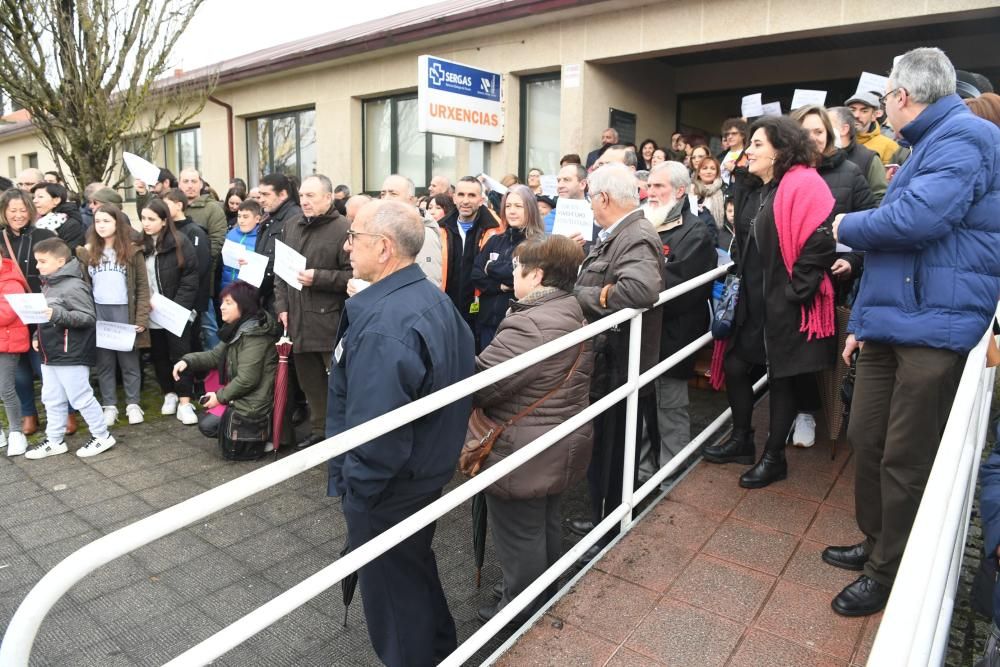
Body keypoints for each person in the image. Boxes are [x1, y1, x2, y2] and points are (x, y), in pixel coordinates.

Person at [828, 47, 1000, 618]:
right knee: (867, 437)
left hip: (934, 322)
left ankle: (888, 570)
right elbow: (901, 243)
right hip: (895, 318)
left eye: (884, 99)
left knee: (904, 455)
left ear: (901, 97)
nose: (882, 107)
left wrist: (845, 226)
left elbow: (917, 222)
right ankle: (877, 543)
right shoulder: (930, 142)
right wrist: (866, 324)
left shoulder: (966, 137)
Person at [327, 200, 474, 667]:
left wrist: (359, 491)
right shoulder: (433, 298)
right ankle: (441, 654)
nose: (347, 247)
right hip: (423, 472)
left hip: (390, 486)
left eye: (356, 238)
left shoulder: (386, 324)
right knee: (412, 572)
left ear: (385, 248)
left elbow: (376, 429)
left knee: (392, 598)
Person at [702, 115, 836, 489]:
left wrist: (797, 291)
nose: (750, 151)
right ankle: (742, 439)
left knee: (782, 379)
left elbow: (821, 241)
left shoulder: (805, 183)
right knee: (735, 364)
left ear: (781, 148)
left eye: (758, 144)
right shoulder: (751, 187)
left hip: (788, 302)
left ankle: (774, 458)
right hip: (754, 297)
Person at [473, 235, 593, 624]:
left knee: (519, 534)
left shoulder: (531, 325)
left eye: (516, 269)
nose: (512, 275)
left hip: (523, 448)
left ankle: (522, 612)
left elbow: (483, 384)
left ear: (537, 274)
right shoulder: (570, 307)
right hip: (558, 441)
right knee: (543, 523)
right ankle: (540, 594)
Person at [570, 163, 664, 554]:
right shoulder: (624, 233)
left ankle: (607, 528)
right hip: (613, 361)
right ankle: (602, 518)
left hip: (618, 364)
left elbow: (641, 290)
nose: (589, 205)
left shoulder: (635, 235)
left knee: (611, 452)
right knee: (607, 449)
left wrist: (587, 296)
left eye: (591, 197)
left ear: (603, 198)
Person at [789, 104, 876, 448]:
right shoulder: (784, 175)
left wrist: (854, 260)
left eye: (819, 131)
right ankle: (803, 412)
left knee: (828, 352)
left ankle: (832, 412)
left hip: (836, 282)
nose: (812, 138)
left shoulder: (851, 172)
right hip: (794, 279)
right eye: (805, 131)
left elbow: (872, 224)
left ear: (828, 135)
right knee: (796, 352)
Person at [638, 162, 716, 481]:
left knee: (670, 409)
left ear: (680, 191)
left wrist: (635, 287)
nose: (651, 193)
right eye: (650, 186)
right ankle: (642, 472)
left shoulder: (696, 232)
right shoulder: (643, 223)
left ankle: (671, 475)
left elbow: (681, 286)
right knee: (641, 409)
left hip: (673, 337)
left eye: (660, 187)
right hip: (643, 334)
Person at [274, 174, 351, 450]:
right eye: (302, 196)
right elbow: (280, 273)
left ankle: (342, 434)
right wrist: (281, 306)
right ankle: (320, 430)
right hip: (296, 320)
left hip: (329, 320)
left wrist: (318, 277)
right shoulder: (291, 225)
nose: (304, 201)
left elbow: (353, 276)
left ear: (329, 198)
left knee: (339, 381)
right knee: (310, 383)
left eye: (311, 196)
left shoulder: (344, 228)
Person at [24, 238, 116, 459]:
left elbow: (87, 317)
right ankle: (54, 440)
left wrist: (56, 315)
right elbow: (45, 315)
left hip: (70, 352)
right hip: (51, 352)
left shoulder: (74, 285)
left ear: (60, 261)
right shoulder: (50, 283)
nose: (37, 266)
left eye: (42, 261)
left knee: (80, 396)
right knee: (51, 397)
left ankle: (102, 436)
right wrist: (38, 335)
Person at [173, 280, 279, 459]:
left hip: (255, 402)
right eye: (222, 302)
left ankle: (261, 437)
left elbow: (247, 379)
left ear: (244, 306)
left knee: (208, 426)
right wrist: (187, 361)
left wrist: (219, 397)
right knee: (209, 424)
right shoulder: (237, 328)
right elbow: (214, 356)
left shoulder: (254, 335)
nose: (222, 307)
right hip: (246, 395)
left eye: (229, 303)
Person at [76, 205, 149, 427]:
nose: (101, 226)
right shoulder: (88, 252)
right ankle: (110, 406)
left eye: (106, 221)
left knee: (129, 361)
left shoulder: (132, 251)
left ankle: (133, 404)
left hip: (124, 311)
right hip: (100, 312)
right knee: (104, 363)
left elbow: (143, 288)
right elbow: (83, 286)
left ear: (117, 223)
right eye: (98, 221)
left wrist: (141, 319)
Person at [1, 189, 56, 436]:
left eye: (23, 210)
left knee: (47, 366)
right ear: (4, 211)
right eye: (12, 210)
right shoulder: (0, 239)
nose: (18, 215)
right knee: (19, 372)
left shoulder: (44, 235)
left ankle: (63, 412)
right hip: (10, 317)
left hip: (40, 311)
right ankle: (28, 413)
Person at [141, 198, 200, 425]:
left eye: (151, 219)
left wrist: (176, 307)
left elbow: (190, 278)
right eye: (144, 218)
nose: (146, 223)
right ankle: (169, 393)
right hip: (151, 312)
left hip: (175, 311)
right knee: (159, 355)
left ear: (164, 221)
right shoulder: (140, 245)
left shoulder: (180, 242)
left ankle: (185, 401)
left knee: (180, 355)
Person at [470, 184, 544, 349]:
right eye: (508, 206)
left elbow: (522, 275)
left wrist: (491, 267)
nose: (512, 211)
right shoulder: (495, 240)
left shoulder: (538, 244)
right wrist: (500, 286)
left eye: (518, 206)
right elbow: (476, 274)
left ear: (530, 209)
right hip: (486, 322)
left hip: (517, 325)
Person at [162, 189, 212, 360]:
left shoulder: (195, 232)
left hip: (190, 299)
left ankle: (197, 379)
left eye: (166, 204)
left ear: (179, 205)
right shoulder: (164, 230)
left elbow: (201, 266)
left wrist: (190, 298)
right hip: (168, 299)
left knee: (191, 340)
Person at [180, 168, 227, 348]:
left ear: (201, 183)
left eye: (194, 181)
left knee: (208, 326)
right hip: (176, 280)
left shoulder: (213, 209)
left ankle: (215, 369)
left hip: (203, 278)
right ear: (179, 184)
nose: (190, 185)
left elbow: (216, 243)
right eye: (186, 181)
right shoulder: (174, 206)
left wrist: (195, 268)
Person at [380, 174, 443, 288]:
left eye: (393, 194)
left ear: (411, 200)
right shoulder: (387, 227)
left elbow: (429, 284)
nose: (386, 199)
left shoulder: (424, 233)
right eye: (383, 194)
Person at [255, 173, 304, 314]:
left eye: (266, 194)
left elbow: (288, 262)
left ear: (282, 194)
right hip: (269, 296)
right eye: (260, 194)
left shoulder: (294, 218)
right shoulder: (271, 217)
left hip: (282, 301)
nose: (261, 200)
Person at [0, 248, 31, 456]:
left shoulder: (12, 282)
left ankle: (16, 433)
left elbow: (5, 314)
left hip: (8, 344)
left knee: (6, 389)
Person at [828, 106, 888, 205]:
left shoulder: (869, 159)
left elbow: (880, 198)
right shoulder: (818, 157)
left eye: (828, 125)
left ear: (844, 129)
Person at [845, 90, 908, 166]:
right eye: (852, 110)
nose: (856, 115)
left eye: (864, 111)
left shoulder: (889, 146)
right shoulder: (834, 140)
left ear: (874, 115)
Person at [219, 199, 262, 293]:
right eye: (239, 216)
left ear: (257, 219)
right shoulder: (231, 233)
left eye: (246, 217)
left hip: (247, 290)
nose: (241, 221)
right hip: (227, 286)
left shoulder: (261, 238)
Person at [31, 182, 85, 252]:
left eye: (40, 197)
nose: (35, 201)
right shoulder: (35, 220)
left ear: (56, 200)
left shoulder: (71, 224)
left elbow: (68, 253)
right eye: (34, 197)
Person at [692, 156, 725, 228]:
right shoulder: (691, 190)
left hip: (715, 234)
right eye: (705, 168)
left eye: (713, 169)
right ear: (698, 173)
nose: (709, 171)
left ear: (717, 173)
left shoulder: (724, 191)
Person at [720, 118, 749, 186]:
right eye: (727, 134)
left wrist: (735, 169)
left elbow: (752, 178)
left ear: (743, 135)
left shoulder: (749, 155)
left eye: (734, 133)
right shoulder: (720, 156)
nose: (730, 136)